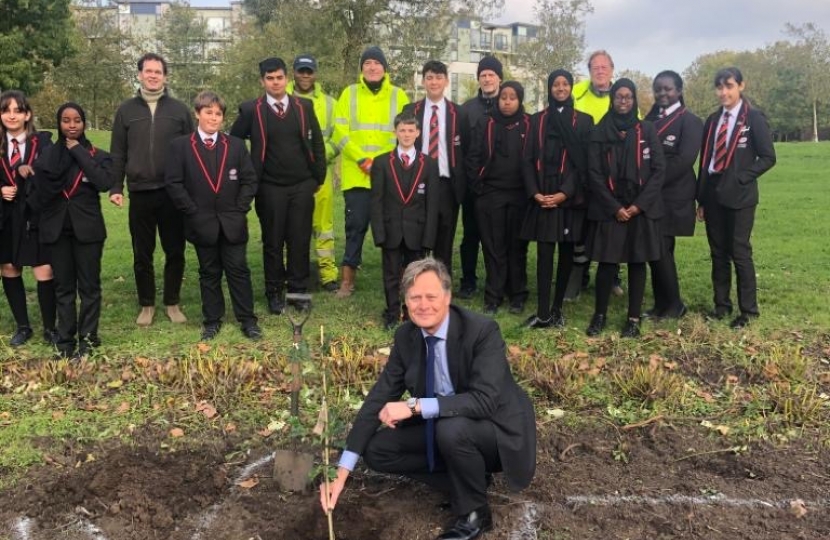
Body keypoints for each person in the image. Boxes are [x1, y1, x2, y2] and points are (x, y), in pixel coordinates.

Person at [319, 257, 536, 540]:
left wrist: (414, 406)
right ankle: (469, 480)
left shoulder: (482, 331)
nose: (423, 305)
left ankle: (475, 515)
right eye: (414, 297)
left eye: (431, 296)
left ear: (448, 297)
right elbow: (379, 397)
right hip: (450, 426)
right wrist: (342, 471)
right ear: (405, 302)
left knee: (451, 429)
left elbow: (484, 400)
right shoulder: (407, 336)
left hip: (496, 430)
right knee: (378, 450)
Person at [230, 57, 326, 315]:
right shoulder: (252, 110)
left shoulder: (303, 106)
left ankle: (297, 291)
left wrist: (318, 177)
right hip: (269, 186)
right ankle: (274, 292)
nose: (275, 82)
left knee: (299, 239)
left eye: (279, 77)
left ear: (287, 79)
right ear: (262, 81)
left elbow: (316, 141)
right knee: (273, 241)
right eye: (270, 78)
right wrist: (246, 175)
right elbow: (233, 143)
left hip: (302, 184)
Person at [166, 91, 261, 342]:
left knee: (238, 269)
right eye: (208, 112)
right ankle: (212, 320)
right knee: (209, 272)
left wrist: (240, 208)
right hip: (201, 221)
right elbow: (174, 183)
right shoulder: (181, 146)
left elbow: (250, 180)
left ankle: (248, 320)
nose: (214, 117)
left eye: (218, 114)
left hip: (232, 221)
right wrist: (192, 211)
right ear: (197, 114)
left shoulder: (236, 145)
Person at [110, 53, 194, 327]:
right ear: (139, 74)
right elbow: (118, 152)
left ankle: (172, 302)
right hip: (140, 192)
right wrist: (115, 186)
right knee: (142, 253)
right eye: (148, 71)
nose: (153, 75)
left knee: (175, 251)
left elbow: (191, 153)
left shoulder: (180, 110)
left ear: (166, 76)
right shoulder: (126, 110)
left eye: (158, 71)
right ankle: (146, 304)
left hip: (172, 192)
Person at [697, 67, 776, 329]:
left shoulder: (753, 118)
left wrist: (741, 177)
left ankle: (748, 311)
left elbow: (768, 157)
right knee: (718, 252)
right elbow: (706, 159)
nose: (724, 92)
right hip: (713, 194)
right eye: (719, 87)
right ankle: (721, 306)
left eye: (729, 86)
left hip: (740, 195)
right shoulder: (711, 120)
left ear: (741, 86)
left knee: (739, 252)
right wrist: (701, 198)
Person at [585, 79, 665, 338]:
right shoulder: (599, 131)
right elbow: (594, 173)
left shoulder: (647, 130)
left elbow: (658, 170)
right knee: (607, 263)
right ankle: (599, 315)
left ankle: (633, 318)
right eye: (619, 97)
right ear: (612, 99)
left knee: (637, 261)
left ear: (634, 100)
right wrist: (614, 207)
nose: (623, 101)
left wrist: (638, 206)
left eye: (628, 97)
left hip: (639, 207)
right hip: (610, 207)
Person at [35, 103, 113, 359]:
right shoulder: (48, 155)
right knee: (64, 287)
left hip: (88, 231)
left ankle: (88, 339)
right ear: (59, 123)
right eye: (66, 120)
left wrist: (79, 152)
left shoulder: (98, 155)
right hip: (57, 231)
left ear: (84, 123)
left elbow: (103, 183)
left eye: (77, 120)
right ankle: (66, 339)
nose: (71, 125)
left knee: (89, 287)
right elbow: (40, 190)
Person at [331, 46, 409, 298]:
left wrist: (382, 164)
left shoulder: (399, 96)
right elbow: (339, 133)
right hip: (357, 176)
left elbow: (405, 134)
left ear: (385, 68)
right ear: (362, 68)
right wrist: (363, 159)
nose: (372, 67)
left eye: (377, 63)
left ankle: (399, 278)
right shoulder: (349, 94)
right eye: (367, 63)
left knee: (394, 229)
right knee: (355, 228)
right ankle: (347, 281)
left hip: (389, 178)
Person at [520, 70, 593, 329]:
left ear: (571, 87)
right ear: (550, 88)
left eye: (565, 84)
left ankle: (557, 309)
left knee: (565, 253)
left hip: (568, 197)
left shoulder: (584, 121)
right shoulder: (537, 120)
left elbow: (583, 163)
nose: (560, 88)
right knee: (543, 253)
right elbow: (527, 159)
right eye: (556, 84)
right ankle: (542, 312)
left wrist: (564, 193)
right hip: (542, 195)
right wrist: (535, 193)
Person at [643, 71, 703, 320]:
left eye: (667, 89)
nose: (662, 94)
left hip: (674, 194)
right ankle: (661, 304)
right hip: (654, 193)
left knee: (662, 247)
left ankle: (674, 305)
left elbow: (683, 160)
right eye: (658, 89)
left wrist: (652, 182)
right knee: (655, 249)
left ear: (678, 90)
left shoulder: (690, 121)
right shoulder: (650, 119)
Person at [370, 113, 439, 330]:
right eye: (402, 130)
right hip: (391, 229)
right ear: (395, 132)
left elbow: (432, 203)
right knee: (390, 274)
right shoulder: (382, 162)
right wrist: (379, 233)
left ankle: (411, 313)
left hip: (416, 231)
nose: (406, 135)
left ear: (418, 133)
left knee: (414, 276)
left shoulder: (428, 163)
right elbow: (376, 201)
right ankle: (391, 312)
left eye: (411, 130)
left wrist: (429, 237)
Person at [467, 81, 530, 315]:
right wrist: (478, 187)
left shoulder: (528, 124)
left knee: (517, 247)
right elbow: (472, 156)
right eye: (504, 97)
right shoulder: (486, 123)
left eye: (513, 97)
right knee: (494, 247)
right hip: (490, 194)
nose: (507, 101)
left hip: (520, 195)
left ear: (520, 100)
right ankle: (493, 295)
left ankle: (517, 295)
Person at [0, 90, 57, 347]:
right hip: (5, 215)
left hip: (35, 214)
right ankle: (23, 326)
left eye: (17, 110)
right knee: (9, 267)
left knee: (43, 268)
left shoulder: (42, 143)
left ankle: (50, 327)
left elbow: (53, 175)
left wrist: (30, 179)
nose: (11, 115)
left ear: (27, 114)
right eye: (6, 110)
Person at [402, 60, 469, 275]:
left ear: (447, 81)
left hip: (446, 185)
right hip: (417, 183)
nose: (434, 82)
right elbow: (402, 145)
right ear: (423, 81)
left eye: (439, 77)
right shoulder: (411, 110)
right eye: (429, 77)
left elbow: (465, 149)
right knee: (416, 236)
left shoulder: (459, 113)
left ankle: (441, 286)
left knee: (444, 238)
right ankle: (414, 282)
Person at [571, 50, 624, 298]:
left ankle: (613, 277)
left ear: (612, 69)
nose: (600, 70)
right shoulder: (577, 91)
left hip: (612, 174)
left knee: (610, 227)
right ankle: (578, 277)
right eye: (595, 67)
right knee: (580, 228)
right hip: (581, 171)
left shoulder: (622, 96)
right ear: (589, 70)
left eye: (604, 66)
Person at [287, 54, 340, 292]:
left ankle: (327, 274)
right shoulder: (282, 98)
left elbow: (338, 138)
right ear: (294, 73)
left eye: (309, 71)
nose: (305, 76)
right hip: (292, 174)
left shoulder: (330, 103)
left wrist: (317, 158)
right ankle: (291, 272)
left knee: (324, 226)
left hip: (321, 174)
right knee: (292, 226)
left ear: (315, 73)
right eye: (301, 71)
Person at [458, 56, 502, 300]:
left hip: (500, 186)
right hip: (472, 185)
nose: (487, 78)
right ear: (478, 79)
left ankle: (498, 280)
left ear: (499, 78)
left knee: (496, 237)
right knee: (471, 235)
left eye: (491, 75)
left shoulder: (507, 104)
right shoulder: (467, 109)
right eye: (483, 75)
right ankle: (468, 280)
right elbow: (462, 147)